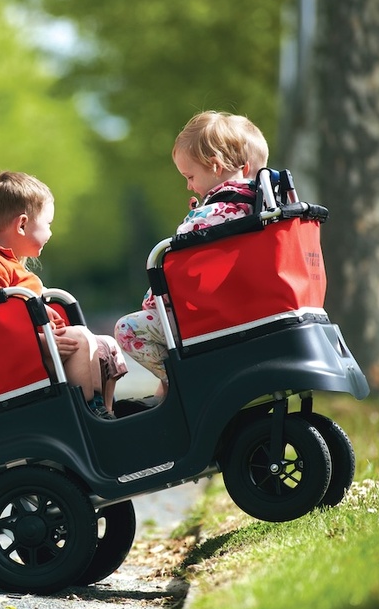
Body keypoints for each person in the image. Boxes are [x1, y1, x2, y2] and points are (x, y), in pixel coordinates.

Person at [114, 110, 268, 402]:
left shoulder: (209, 216)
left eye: (190, 176)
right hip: (245, 309)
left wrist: (151, 302)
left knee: (128, 328)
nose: (188, 185)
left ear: (215, 165)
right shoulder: (258, 208)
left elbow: (174, 266)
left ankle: (183, 382)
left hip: (208, 317)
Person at [0, 170, 127, 420]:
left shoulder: (5, 262)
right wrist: (37, 342)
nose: (50, 233)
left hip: (29, 349)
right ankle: (90, 413)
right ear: (22, 225)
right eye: (48, 224)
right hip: (12, 358)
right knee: (79, 337)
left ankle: (104, 410)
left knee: (97, 342)